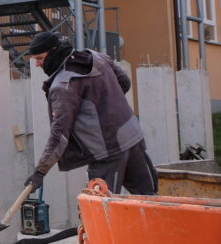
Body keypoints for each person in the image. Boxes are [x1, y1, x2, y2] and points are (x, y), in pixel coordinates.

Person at [25, 31, 157, 196]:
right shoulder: (96, 58)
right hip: (132, 137)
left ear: (53, 52)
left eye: (39, 58)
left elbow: (59, 136)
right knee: (148, 200)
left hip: (107, 153)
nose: (37, 64)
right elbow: (124, 82)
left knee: (101, 211)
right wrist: (104, 108)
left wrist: (40, 172)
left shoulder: (63, 86)